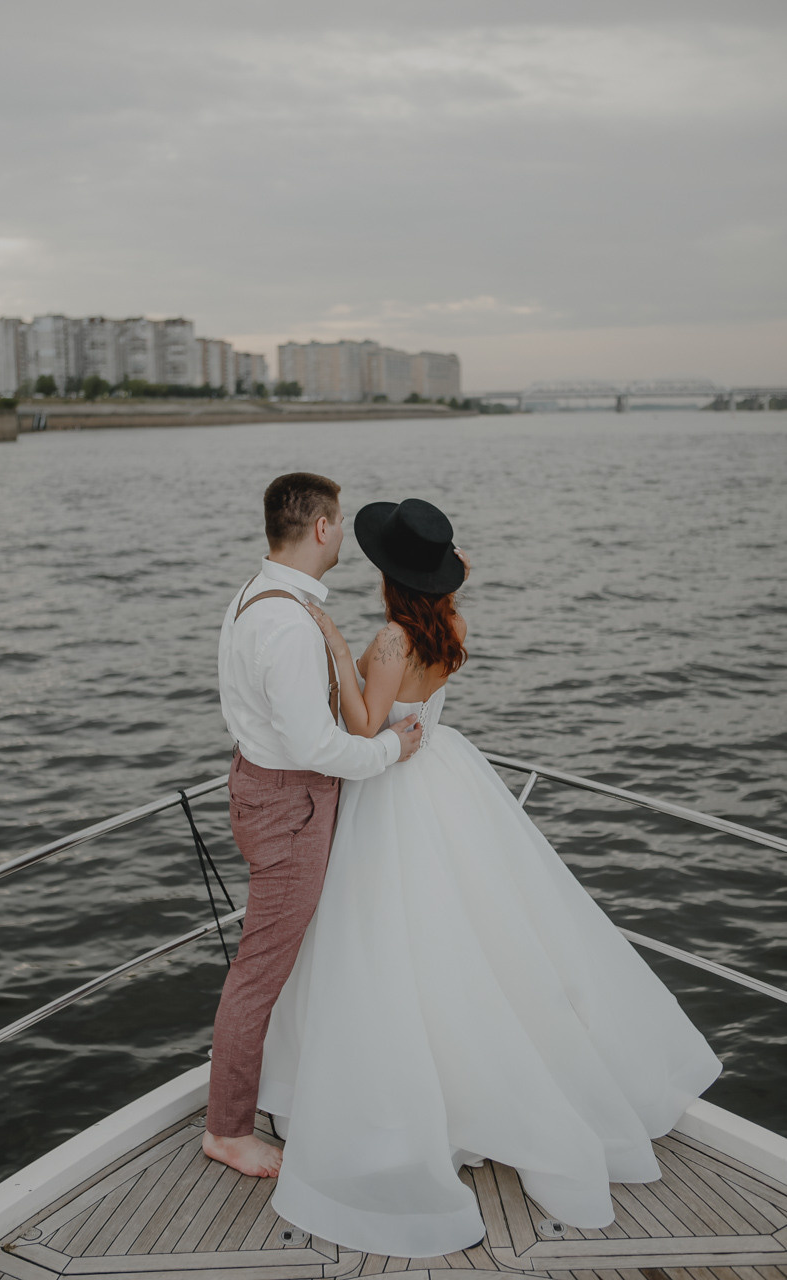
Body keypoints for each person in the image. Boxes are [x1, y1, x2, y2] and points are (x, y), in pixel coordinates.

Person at [257, 497, 722, 1257]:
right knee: (477, 925)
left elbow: (366, 729)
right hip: (448, 772)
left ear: (388, 577)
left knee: (392, 937)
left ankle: (423, 1094)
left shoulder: (389, 640)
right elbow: (444, 607)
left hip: (397, 785)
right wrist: (447, 581)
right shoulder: (452, 626)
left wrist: (339, 654)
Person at [203, 474, 423, 1179]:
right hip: (289, 805)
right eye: (342, 522)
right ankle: (227, 1130)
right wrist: (390, 750)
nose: (344, 534)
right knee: (260, 970)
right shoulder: (290, 624)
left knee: (277, 959)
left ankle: (283, 1084)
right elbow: (316, 747)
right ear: (323, 529)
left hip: (264, 788)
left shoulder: (256, 595)